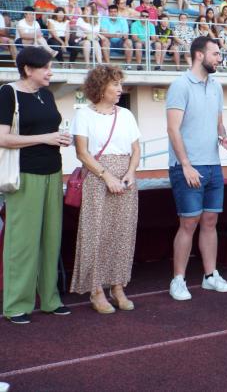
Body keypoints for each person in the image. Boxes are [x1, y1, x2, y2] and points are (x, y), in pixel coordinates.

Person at [0, 46, 72, 324]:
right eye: (45, 68)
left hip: (53, 172)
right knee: (23, 242)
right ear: (28, 69)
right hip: (24, 174)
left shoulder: (47, 94)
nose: (50, 72)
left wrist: (58, 138)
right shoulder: (8, 93)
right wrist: (46, 138)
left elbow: (50, 132)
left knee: (51, 239)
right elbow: (3, 138)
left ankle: (50, 300)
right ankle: (16, 305)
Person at [166, 36, 227, 300]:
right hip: (187, 166)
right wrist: (185, 165)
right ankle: (178, 280)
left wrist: (224, 139)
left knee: (210, 221)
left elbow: (218, 122)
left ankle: (210, 276)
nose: (220, 58)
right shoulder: (180, 85)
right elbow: (173, 129)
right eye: (216, 54)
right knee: (188, 223)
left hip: (213, 165)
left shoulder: (216, 86)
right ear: (199, 55)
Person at [69, 65, 141, 314]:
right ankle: (96, 289)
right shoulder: (84, 115)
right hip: (98, 177)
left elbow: (136, 150)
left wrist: (130, 173)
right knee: (96, 232)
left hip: (125, 178)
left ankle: (118, 286)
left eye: (121, 84)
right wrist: (107, 175)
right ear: (101, 87)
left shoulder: (126, 115)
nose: (120, 89)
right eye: (115, 85)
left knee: (122, 233)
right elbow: (82, 153)